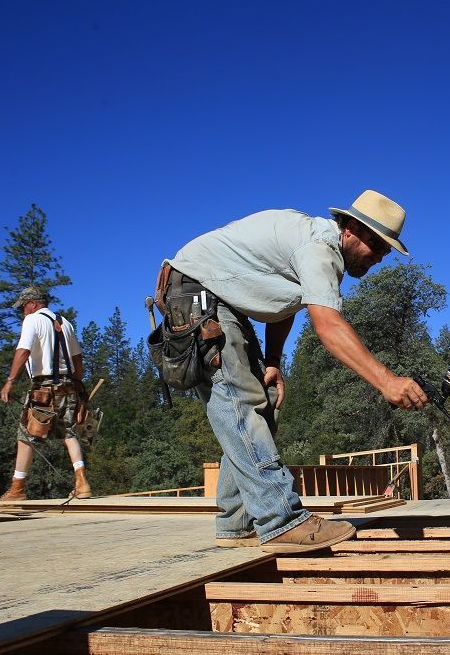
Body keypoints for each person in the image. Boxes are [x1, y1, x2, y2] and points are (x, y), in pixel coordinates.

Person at [161, 189, 428, 553]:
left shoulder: (314, 246)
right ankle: (281, 519)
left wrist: (273, 362)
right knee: (239, 403)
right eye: (377, 246)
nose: (380, 257)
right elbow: (328, 326)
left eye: (385, 251)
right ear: (350, 228)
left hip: (219, 300)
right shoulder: (319, 248)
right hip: (199, 295)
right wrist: (387, 381)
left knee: (262, 402)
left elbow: (284, 305)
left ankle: (236, 522)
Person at [0, 286, 93, 506]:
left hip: (43, 388)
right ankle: (82, 482)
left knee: (26, 434)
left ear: (33, 303)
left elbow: (23, 351)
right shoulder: (66, 323)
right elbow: (78, 360)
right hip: (67, 385)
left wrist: (10, 381)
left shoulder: (33, 320)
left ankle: (18, 488)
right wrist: (77, 382)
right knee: (69, 431)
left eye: (24, 307)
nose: (23, 312)